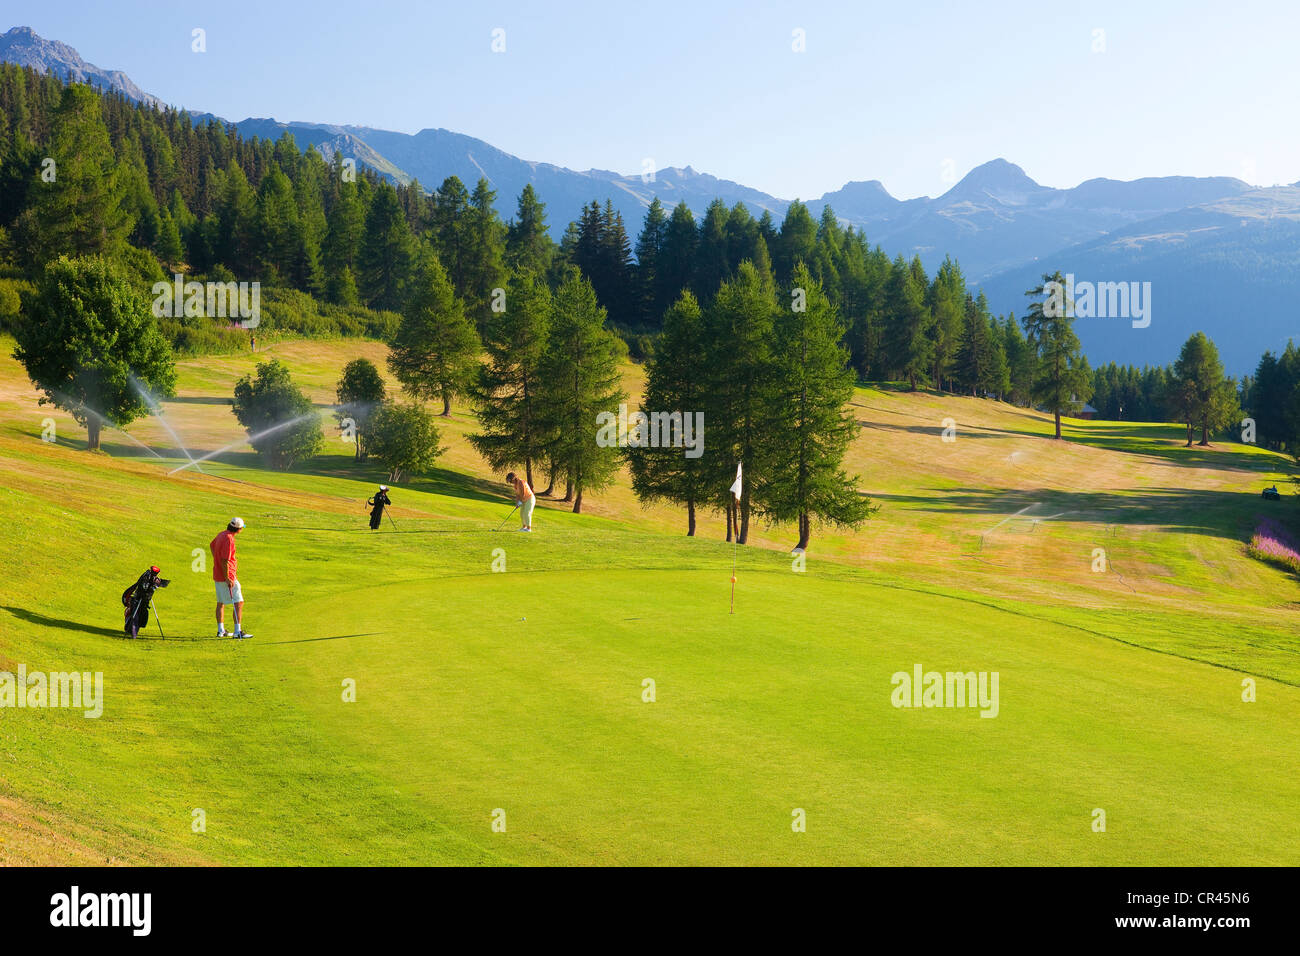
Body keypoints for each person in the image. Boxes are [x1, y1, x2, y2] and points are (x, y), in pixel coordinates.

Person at [210, 517, 252, 639]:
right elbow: (224, 560)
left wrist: (216, 560)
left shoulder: (221, 534)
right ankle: (237, 631)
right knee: (239, 603)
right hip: (227, 576)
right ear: (238, 529)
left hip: (218, 575)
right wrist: (228, 577)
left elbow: (212, 546)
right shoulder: (229, 539)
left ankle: (221, 630)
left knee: (220, 603)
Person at [121, 566, 169, 638]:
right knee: (135, 616)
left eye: (156, 573)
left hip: (145, 601)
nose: (154, 574)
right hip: (138, 599)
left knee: (141, 617)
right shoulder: (145, 577)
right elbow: (143, 587)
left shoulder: (155, 579)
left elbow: (162, 584)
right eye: (154, 572)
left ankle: (133, 632)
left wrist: (155, 585)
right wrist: (151, 587)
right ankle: (133, 633)